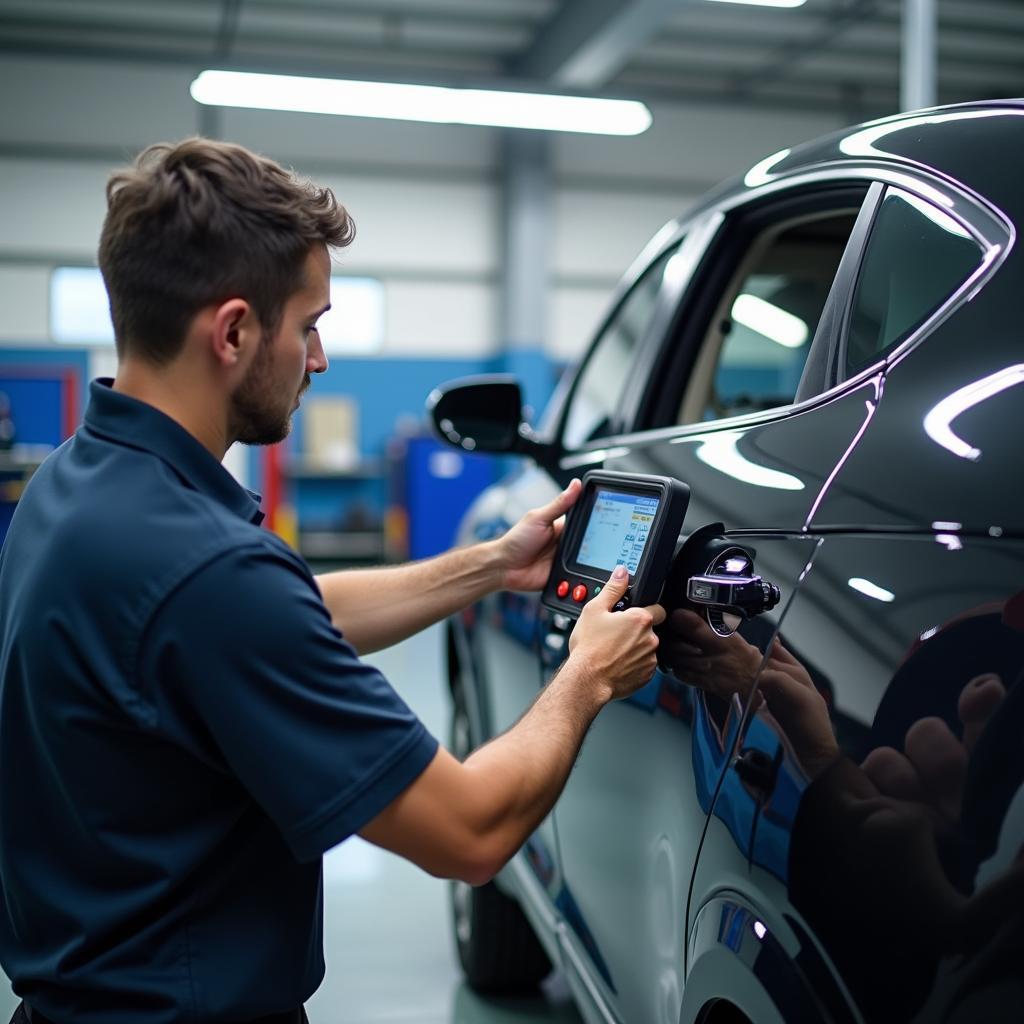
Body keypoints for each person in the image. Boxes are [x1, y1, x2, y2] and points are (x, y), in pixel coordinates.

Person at [0, 139, 665, 1024]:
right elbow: (471, 832)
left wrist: (490, 566)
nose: (318, 359)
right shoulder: (212, 573)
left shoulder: (73, 488)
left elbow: (280, 619)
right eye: (308, 325)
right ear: (234, 332)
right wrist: (585, 676)